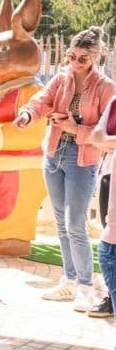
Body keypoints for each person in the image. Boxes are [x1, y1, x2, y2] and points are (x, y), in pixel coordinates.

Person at [14, 26, 116, 311]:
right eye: (71, 56)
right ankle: (69, 280)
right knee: (60, 221)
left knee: (76, 223)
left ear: (96, 58)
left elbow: (106, 129)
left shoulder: (106, 87)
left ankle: (86, 286)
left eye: (82, 58)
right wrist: (26, 114)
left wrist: (76, 128)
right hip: (54, 153)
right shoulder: (61, 79)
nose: (74, 62)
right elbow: (41, 100)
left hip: (82, 159)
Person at [87, 94, 116, 318]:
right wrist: (107, 139)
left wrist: (107, 139)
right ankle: (110, 296)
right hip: (109, 173)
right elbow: (96, 135)